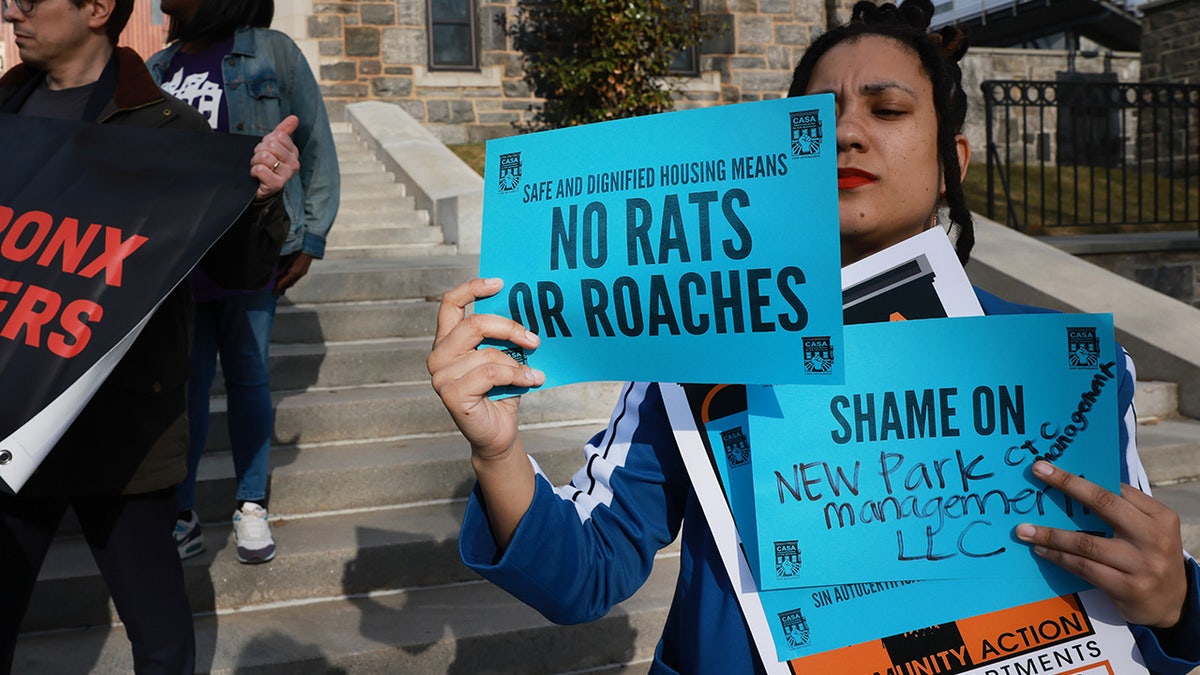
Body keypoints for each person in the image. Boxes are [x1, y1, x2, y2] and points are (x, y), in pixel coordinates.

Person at [427, 1, 1200, 673]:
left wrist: (1175, 598)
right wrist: (498, 452)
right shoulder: (699, 352)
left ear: (948, 164)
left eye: (888, 110)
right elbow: (581, 574)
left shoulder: (1073, 369)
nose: (848, 135)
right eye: (816, 120)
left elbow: (1130, 591)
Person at [0, 0, 297, 668]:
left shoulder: (169, 127)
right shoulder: (5, 116)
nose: (11, 10)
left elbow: (236, 267)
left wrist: (261, 201)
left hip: (122, 430)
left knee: (161, 637)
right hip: (9, 416)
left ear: (97, 9)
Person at [145, 0, 340, 565]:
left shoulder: (270, 50)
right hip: (181, 255)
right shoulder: (158, 68)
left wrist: (310, 236)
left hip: (253, 245)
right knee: (187, 384)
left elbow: (316, 144)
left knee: (249, 374)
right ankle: (182, 512)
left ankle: (251, 503)